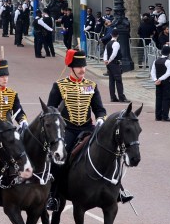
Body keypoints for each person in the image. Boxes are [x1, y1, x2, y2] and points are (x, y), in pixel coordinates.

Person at [45, 49, 118, 209]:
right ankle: (54, 195)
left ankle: (118, 190)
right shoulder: (59, 86)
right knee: (59, 160)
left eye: (83, 66)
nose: (82, 70)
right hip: (68, 130)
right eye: (79, 67)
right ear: (71, 67)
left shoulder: (91, 86)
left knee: (110, 152)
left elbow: (100, 110)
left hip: (88, 128)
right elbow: (50, 110)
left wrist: (100, 120)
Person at [150, 45, 170, 121]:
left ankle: (158, 116)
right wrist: (160, 79)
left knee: (158, 98)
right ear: (169, 53)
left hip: (158, 83)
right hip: (166, 82)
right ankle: (165, 116)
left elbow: (152, 72)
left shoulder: (156, 61)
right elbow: (168, 73)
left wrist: (155, 80)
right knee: (166, 99)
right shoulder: (168, 61)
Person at [102, 32, 127, 102]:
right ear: (118, 35)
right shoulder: (116, 43)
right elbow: (114, 54)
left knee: (111, 81)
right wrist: (109, 60)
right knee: (118, 81)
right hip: (114, 63)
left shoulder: (108, 43)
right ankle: (121, 97)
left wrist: (105, 60)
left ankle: (113, 97)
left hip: (109, 64)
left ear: (111, 35)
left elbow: (105, 53)